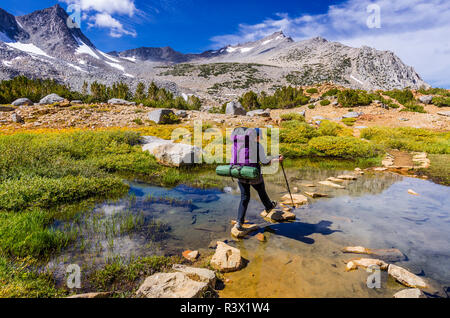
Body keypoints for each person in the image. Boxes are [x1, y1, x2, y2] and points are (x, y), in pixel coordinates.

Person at [231, 127, 283, 232]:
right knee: (261, 190)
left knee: (244, 198)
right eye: (259, 137)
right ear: (255, 137)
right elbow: (264, 162)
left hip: (241, 174)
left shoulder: (237, 145)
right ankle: (268, 206)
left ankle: (239, 223)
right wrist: (276, 159)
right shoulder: (258, 146)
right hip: (253, 175)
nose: (260, 139)